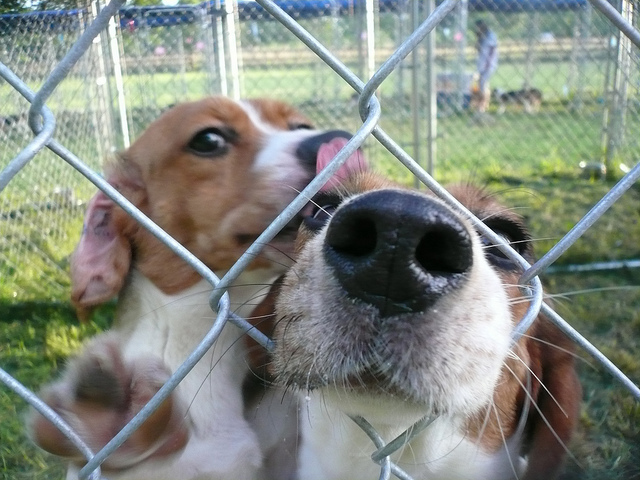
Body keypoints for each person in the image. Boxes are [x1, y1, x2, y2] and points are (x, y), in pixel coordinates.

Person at [474, 19, 498, 114]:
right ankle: (482, 106)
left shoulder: (490, 35)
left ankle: (483, 106)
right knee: (482, 85)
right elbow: (478, 48)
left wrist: (487, 64)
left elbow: (491, 50)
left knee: (483, 85)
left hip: (488, 64)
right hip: (482, 64)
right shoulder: (482, 36)